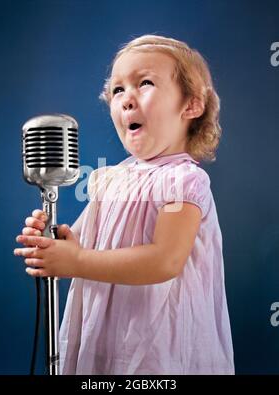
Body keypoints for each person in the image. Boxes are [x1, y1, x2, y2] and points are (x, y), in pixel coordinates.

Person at [14, 34, 235, 375]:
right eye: (117, 90)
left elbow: (165, 260)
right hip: (104, 338)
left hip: (158, 347)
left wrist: (77, 260)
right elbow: (85, 245)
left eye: (144, 83)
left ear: (191, 105)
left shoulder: (184, 180)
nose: (126, 99)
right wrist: (54, 242)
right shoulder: (108, 179)